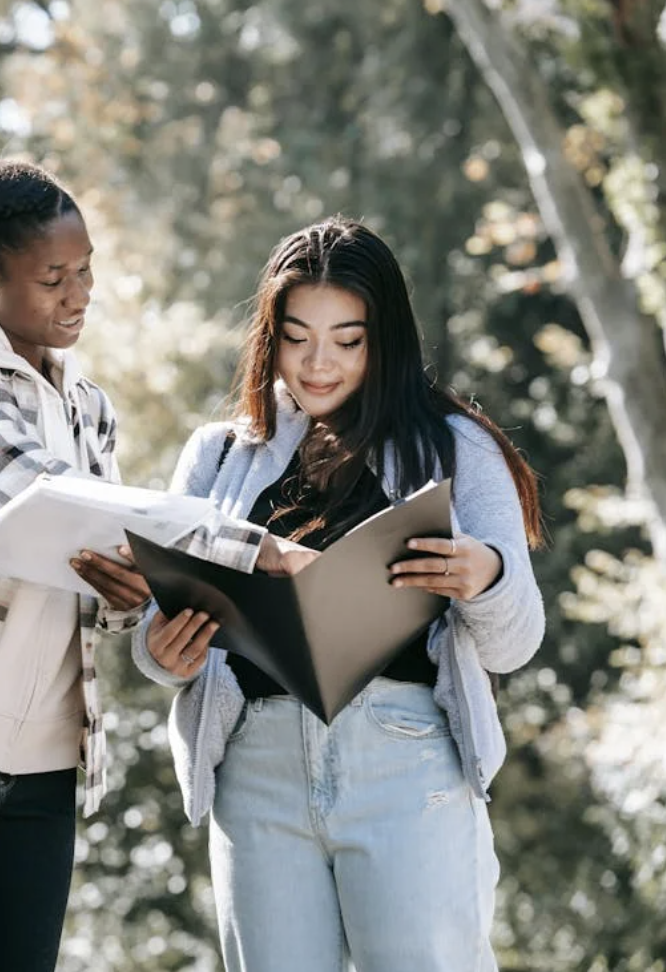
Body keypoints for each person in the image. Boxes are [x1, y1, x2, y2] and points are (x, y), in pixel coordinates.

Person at [0, 159, 288, 972]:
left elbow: (97, 575)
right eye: (52, 278)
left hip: (44, 757)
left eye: (84, 272)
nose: (78, 295)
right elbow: (41, 499)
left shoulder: (86, 405)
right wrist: (260, 550)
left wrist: (129, 589)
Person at [115, 216, 546, 971]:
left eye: (347, 339)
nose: (318, 364)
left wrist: (487, 576)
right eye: (296, 337)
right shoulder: (216, 456)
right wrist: (163, 650)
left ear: (386, 340)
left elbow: (515, 642)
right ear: (268, 336)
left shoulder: (455, 447)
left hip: (406, 766)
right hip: (256, 773)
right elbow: (161, 645)